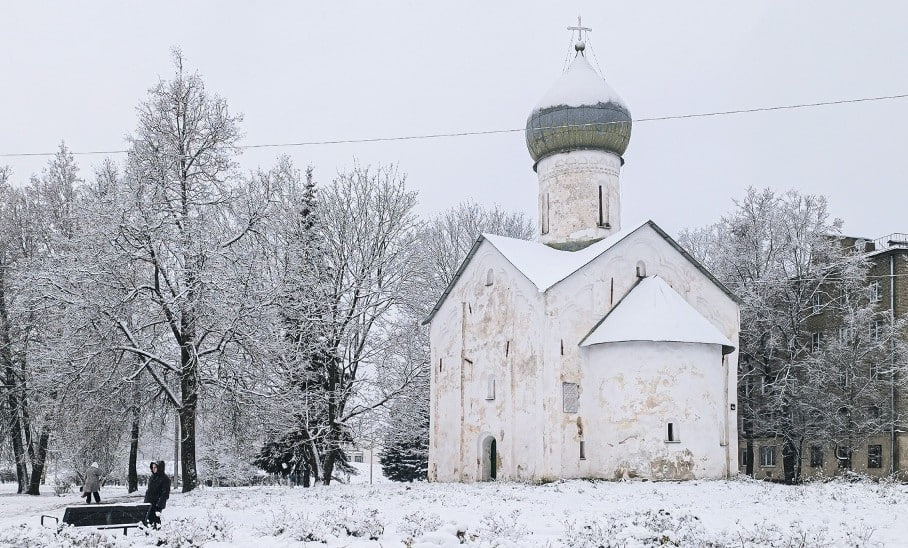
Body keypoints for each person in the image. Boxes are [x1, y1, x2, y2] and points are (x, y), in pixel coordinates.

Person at [143, 461, 171, 529]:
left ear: (160, 468)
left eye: (155, 467)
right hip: (148, 503)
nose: (153, 469)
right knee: (148, 521)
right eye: (152, 467)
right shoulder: (152, 477)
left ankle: (157, 535)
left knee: (155, 521)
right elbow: (149, 490)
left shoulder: (165, 479)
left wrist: (159, 505)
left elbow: (165, 494)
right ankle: (150, 534)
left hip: (156, 504)